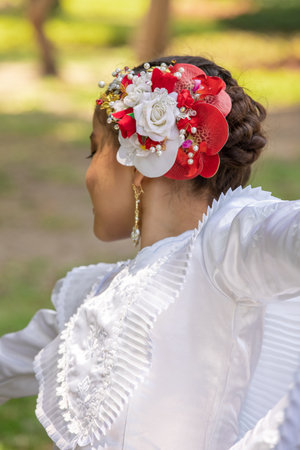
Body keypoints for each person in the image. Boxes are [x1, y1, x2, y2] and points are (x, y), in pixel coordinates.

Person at [0, 55, 299, 450]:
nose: (88, 176)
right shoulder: (90, 297)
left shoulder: (224, 247)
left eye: (94, 152)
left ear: (140, 159)